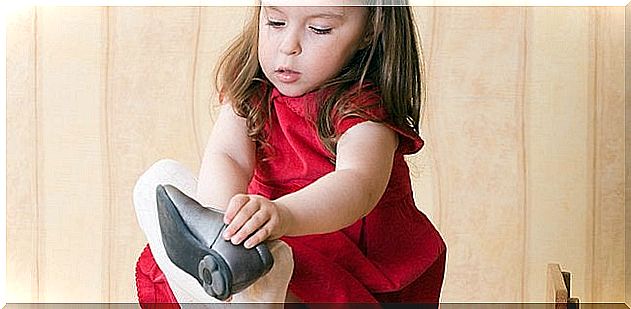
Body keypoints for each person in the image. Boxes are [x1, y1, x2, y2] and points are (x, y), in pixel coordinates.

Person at [136, 0, 446, 304]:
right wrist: (221, 229)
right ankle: (233, 276)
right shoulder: (253, 88)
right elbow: (227, 156)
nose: (289, 46)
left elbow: (358, 184)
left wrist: (283, 215)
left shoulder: (363, 110)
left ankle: (251, 283)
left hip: (336, 264)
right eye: (275, 22)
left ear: (369, 31)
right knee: (158, 182)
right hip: (256, 243)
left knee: (276, 265)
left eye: (319, 29)